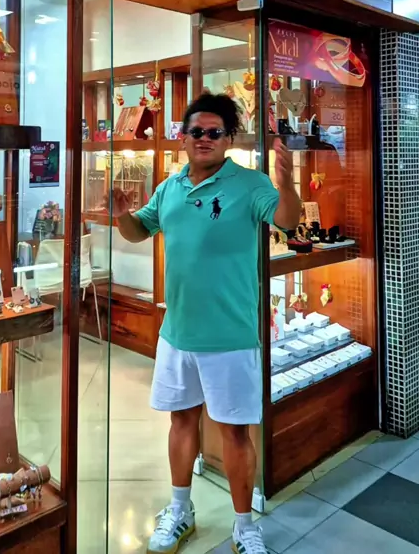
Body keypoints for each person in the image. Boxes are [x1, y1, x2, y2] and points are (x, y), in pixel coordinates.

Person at [110, 93, 301, 554]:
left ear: (228, 139)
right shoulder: (169, 187)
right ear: (183, 136)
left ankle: (244, 526)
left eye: (215, 132)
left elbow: (287, 220)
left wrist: (288, 183)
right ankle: (180, 510)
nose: (204, 139)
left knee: (235, 432)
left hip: (231, 337)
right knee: (181, 422)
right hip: (177, 334)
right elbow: (139, 230)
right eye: (196, 131)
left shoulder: (250, 184)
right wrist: (121, 213)